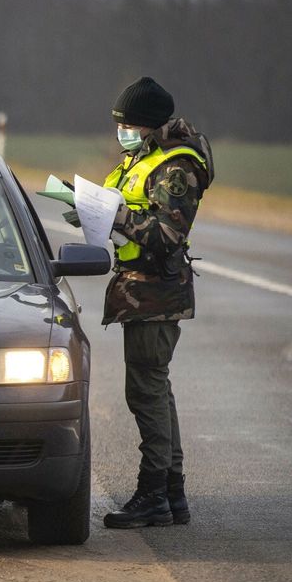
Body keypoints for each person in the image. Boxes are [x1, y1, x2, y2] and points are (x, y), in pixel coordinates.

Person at [93, 77, 213, 529]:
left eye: (125, 124)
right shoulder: (140, 159)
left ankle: (152, 496)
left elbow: (165, 236)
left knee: (146, 393)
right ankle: (172, 494)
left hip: (155, 293)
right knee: (156, 391)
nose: (119, 131)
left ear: (144, 125)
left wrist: (114, 215)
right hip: (139, 291)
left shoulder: (175, 168)